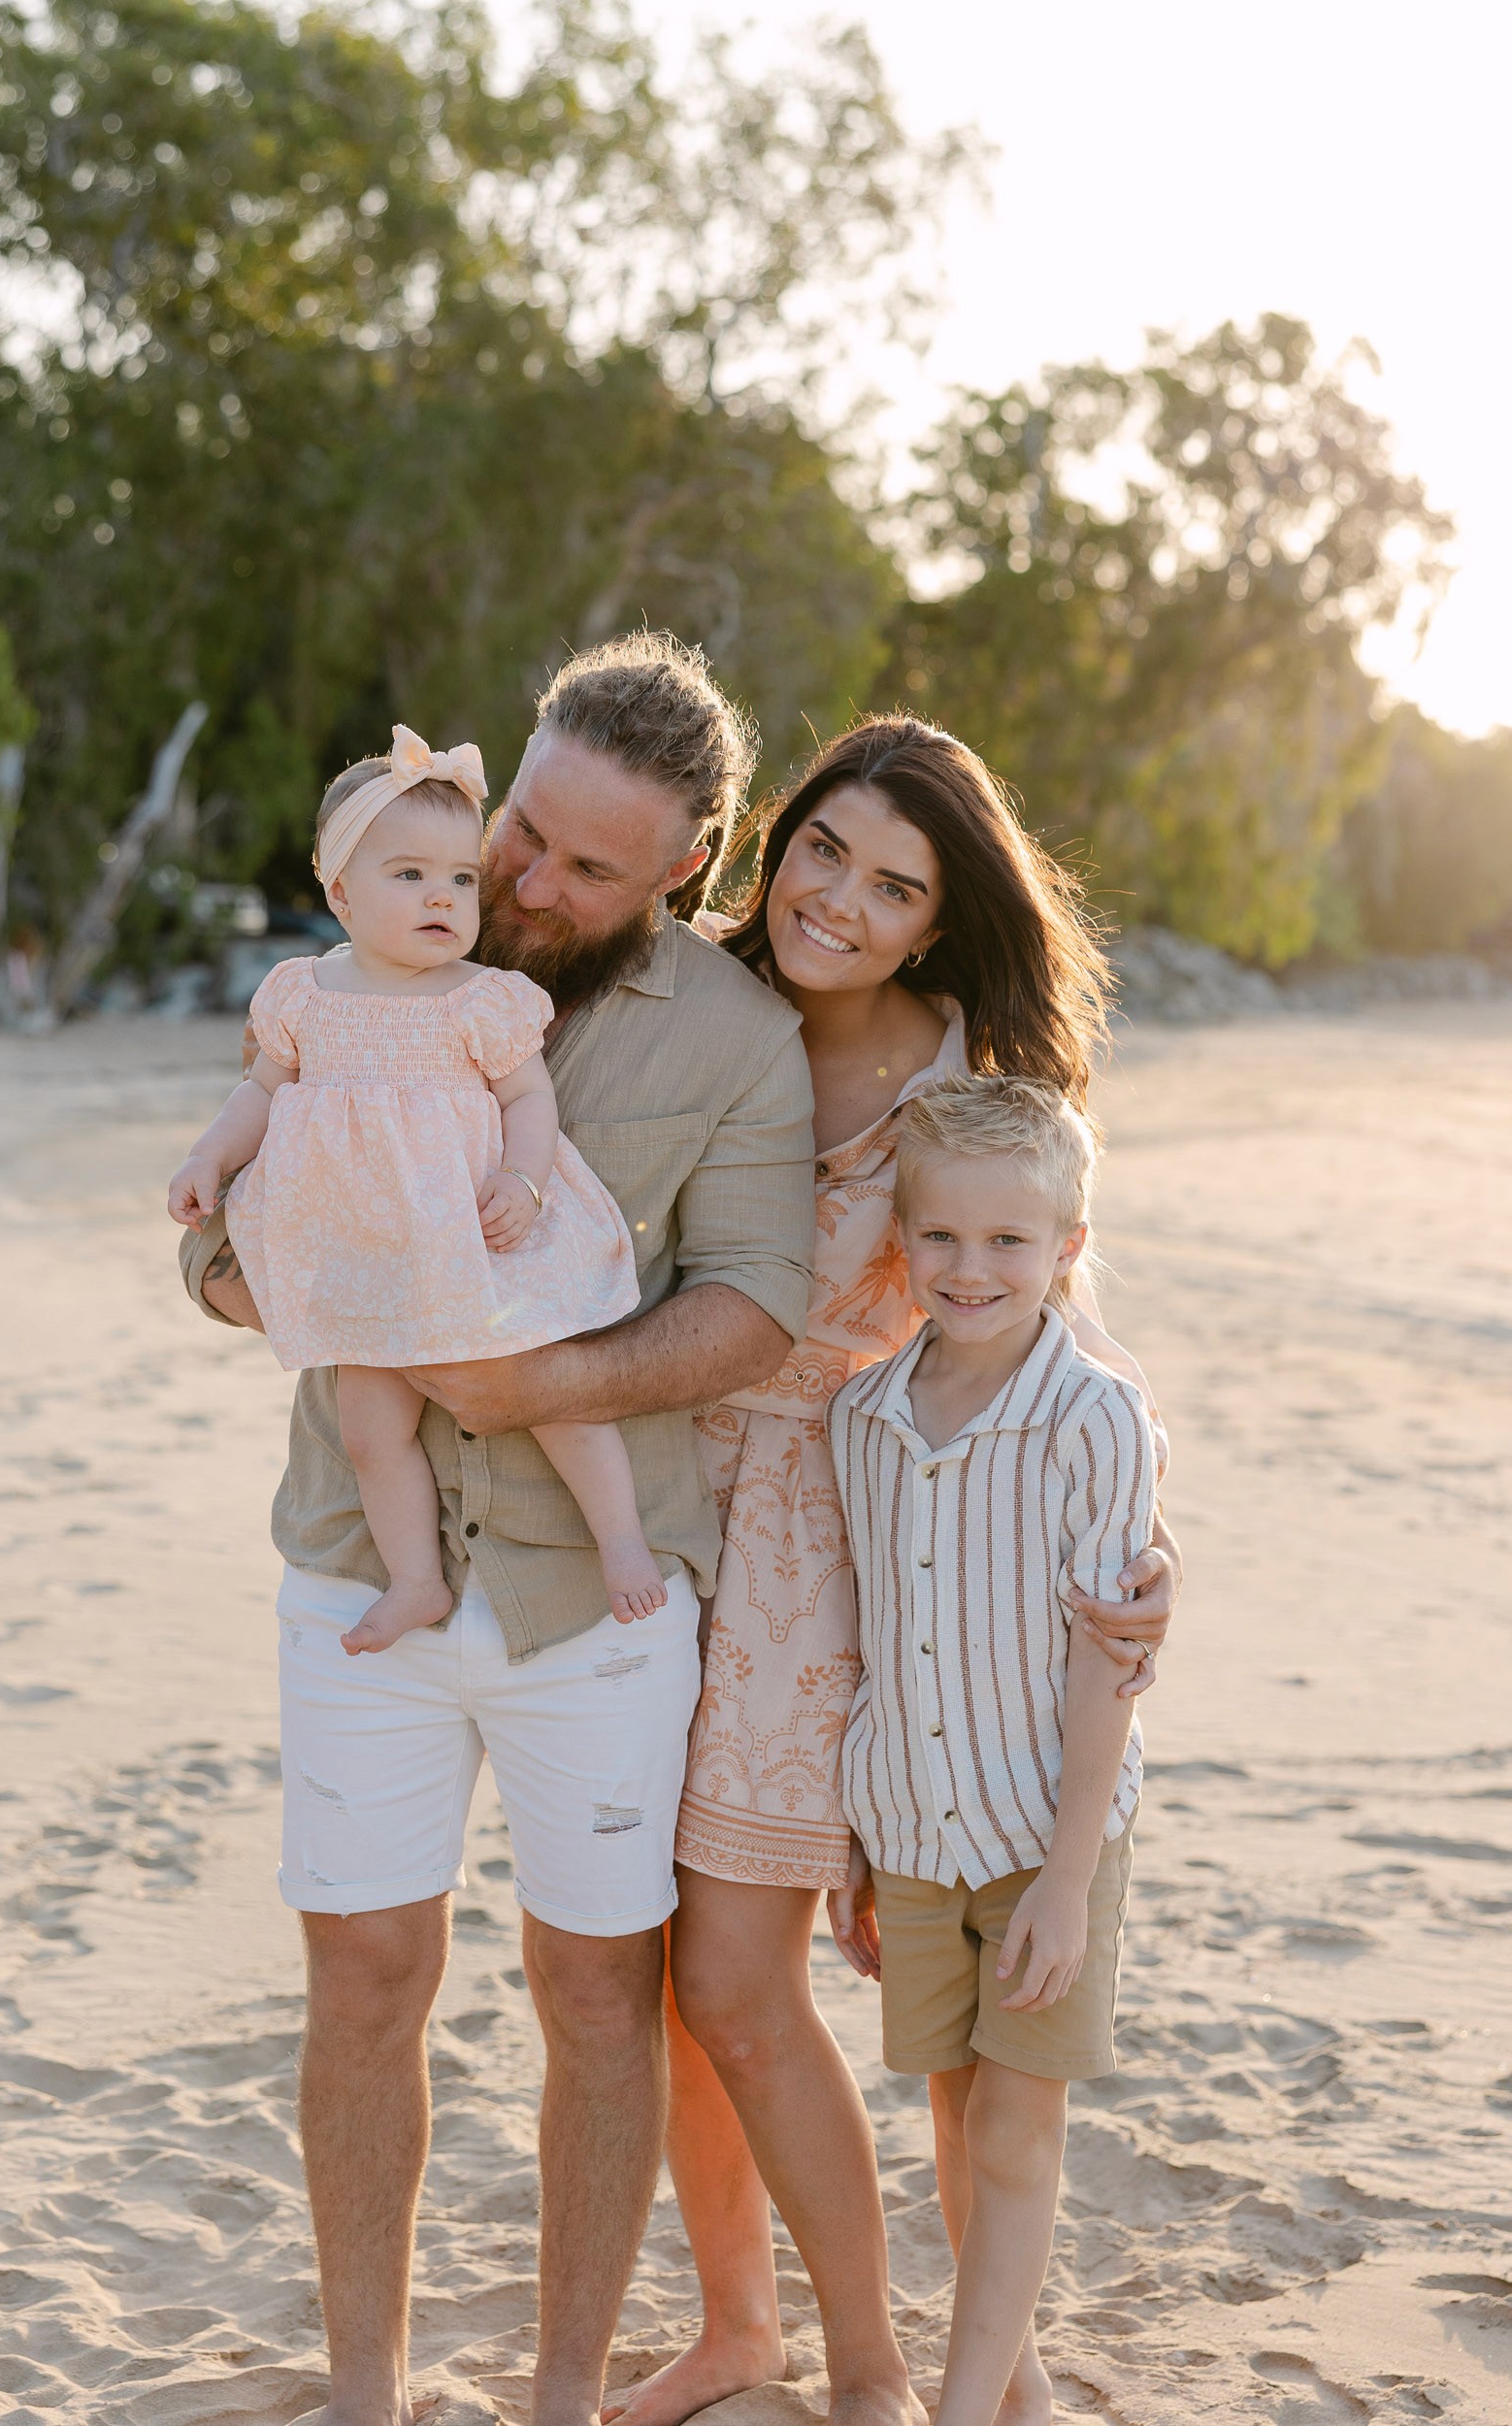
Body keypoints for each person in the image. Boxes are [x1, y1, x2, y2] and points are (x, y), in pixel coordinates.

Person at [176, 633, 818, 2426]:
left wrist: (531, 1383)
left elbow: (758, 1303)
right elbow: (214, 1241)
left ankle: (555, 2395)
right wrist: (323, 1295)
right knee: (366, 1968)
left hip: (594, 1599)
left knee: (595, 1990)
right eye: (521, 828)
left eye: (583, 866)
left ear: (679, 869)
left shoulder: (744, 1041)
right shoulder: (349, 968)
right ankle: (368, 2394)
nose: (520, 882)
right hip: (353, 1560)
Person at [608, 718, 1178, 2426]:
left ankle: (877, 2370)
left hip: (832, 1549)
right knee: (655, 1978)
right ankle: (737, 2327)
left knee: (739, 1974)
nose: (838, 900)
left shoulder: (967, 1085)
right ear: (772, 842)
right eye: (822, 850)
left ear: (939, 921)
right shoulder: (689, 1002)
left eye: (894, 884)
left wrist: (1146, 1562)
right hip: (633, 1502)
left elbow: (1054, 1339)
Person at [167, 726, 665, 1649]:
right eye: (409, 876)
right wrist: (209, 1158)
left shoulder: (480, 996)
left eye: (461, 878)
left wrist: (523, 1179)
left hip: (470, 1239)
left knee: (552, 1393)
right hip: (363, 1247)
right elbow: (259, 1093)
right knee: (369, 1430)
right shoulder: (304, 994)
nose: (442, 895)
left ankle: (623, 1542)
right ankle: (414, 1581)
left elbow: (528, 1101)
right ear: (340, 892)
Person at [827, 1073, 1158, 2426]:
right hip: (909, 1830)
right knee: (956, 2121)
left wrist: (1068, 1879)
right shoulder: (859, 1419)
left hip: (1041, 1835)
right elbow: (868, 1635)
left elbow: (1105, 1662)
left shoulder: (1093, 1420)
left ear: (1065, 1250)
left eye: (1009, 1242)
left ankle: (959, 2411)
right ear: (901, 1240)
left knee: (1018, 2132)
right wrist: (852, 1840)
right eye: (943, 1238)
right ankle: (1015, 2395)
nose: (971, 1270)